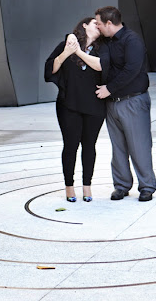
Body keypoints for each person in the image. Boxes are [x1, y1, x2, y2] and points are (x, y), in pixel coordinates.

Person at [94, 6, 156, 202]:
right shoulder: (104, 42)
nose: (97, 26)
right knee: (118, 147)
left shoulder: (132, 40)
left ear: (109, 23)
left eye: (99, 23)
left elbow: (131, 70)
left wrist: (109, 89)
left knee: (140, 146)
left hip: (133, 101)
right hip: (112, 103)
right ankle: (121, 186)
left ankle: (147, 187)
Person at [44, 17, 109, 203]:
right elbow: (50, 70)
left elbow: (102, 66)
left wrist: (79, 52)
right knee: (70, 146)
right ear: (84, 25)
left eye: (100, 25)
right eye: (94, 23)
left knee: (89, 146)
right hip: (68, 104)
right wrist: (67, 52)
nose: (98, 26)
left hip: (94, 105)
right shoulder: (66, 44)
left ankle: (87, 187)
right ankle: (69, 187)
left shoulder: (104, 48)